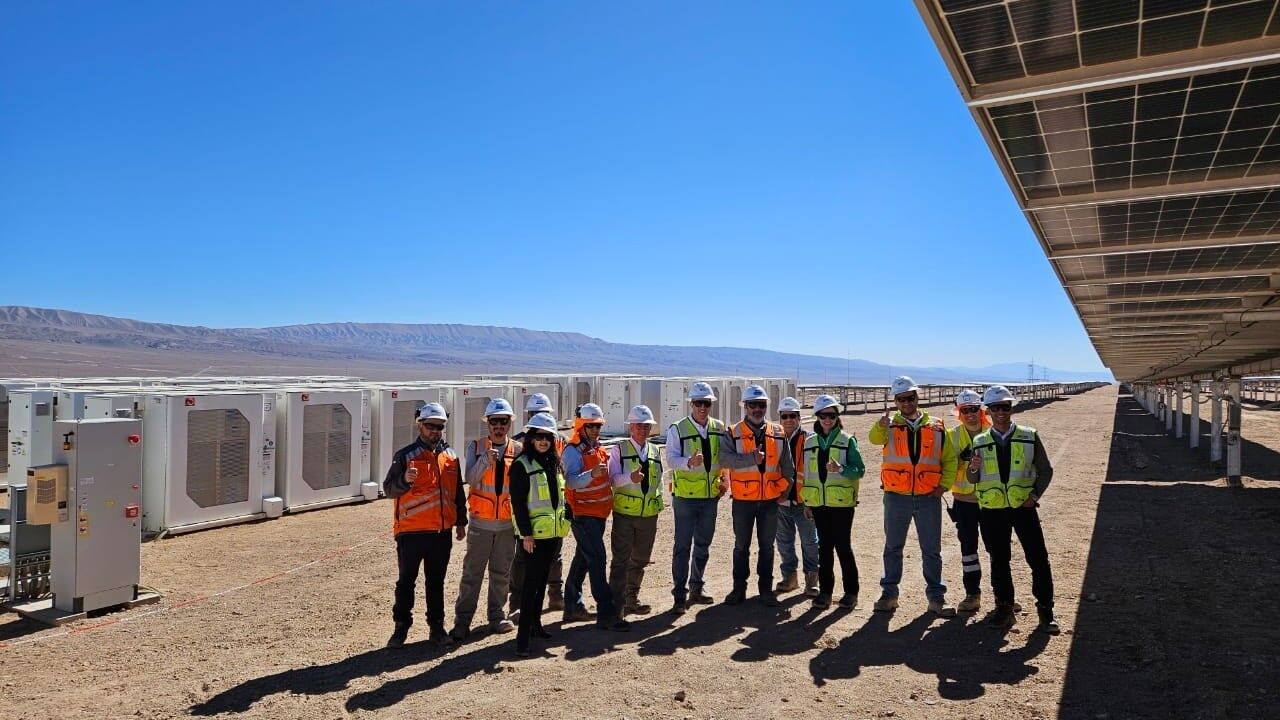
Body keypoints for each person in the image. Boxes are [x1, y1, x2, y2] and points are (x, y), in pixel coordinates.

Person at [967, 385, 1059, 634]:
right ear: (988, 410)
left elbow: (1045, 470)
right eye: (995, 407)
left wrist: (1034, 495)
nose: (1000, 412)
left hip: (1023, 508)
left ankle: (1046, 611)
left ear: (1011, 408)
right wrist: (973, 468)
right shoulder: (980, 441)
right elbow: (973, 478)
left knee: (1038, 559)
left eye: (1005, 407)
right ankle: (1004, 608)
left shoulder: (1029, 436)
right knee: (999, 560)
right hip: (993, 510)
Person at [868, 376, 958, 617]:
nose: (906, 402)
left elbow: (949, 459)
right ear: (895, 402)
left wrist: (944, 486)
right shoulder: (888, 425)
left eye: (910, 398)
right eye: (901, 399)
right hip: (896, 496)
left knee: (931, 549)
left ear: (917, 397)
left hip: (929, 496)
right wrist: (881, 425)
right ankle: (889, 595)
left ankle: (936, 597)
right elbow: (874, 439)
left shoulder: (937, 426)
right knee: (893, 547)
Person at [383, 403, 467, 648]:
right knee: (406, 581)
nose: (435, 431)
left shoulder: (450, 456)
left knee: (436, 582)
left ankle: (437, 628)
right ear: (419, 425)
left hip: (441, 532)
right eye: (430, 426)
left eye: (439, 427)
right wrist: (404, 479)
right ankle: (401, 627)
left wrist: (461, 521)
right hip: (411, 532)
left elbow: (457, 492)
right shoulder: (405, 456)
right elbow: (389, 489)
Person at [665, 381, 752, 613]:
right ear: (691, 404)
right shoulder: (677, 429)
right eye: (698, 403)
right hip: (685, 498)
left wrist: (725, 481)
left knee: (703, 545)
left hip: (709, 497)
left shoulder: (719, 427)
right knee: (682, 546)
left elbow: (723, 458)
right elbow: (670, 459)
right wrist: (688, 462)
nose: (702, 407)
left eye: (706, 403)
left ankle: (697, 587)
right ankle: (679, 595)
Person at [450, 397, 520, 641]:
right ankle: (462, 622)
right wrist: (484, 461)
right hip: (480, 524)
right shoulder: (476, 447)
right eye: (494, 422)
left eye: (503, 421)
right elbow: (470, 478)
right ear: (487, 423)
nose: (498, 426)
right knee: (472, 574)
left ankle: (497, 617)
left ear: (509, 424)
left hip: (506, 524)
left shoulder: (518, 450)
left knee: (501, 572)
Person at [562, 403, 630, 631]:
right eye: (590, 426)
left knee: (584, 558)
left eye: (598, 426)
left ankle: (572, 605)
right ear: (581, 426)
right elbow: (571, 481)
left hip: (598, 514)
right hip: (583, 515)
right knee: (597, 559)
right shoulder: (572, 451)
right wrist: (592, 473)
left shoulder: (597, 448)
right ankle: (607, 613)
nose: (594, 430)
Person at [723, 384, 792, 607]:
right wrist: (750, 459)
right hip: (743, 501)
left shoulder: (778, 432)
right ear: (745, 406)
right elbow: (724, 459)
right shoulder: (733, 432)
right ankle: (738, 589)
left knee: (767, 547)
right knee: (741, 546)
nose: (757, 409)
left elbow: (788, 467)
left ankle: (766, 590)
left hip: (770, 501)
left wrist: (783, 491)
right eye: (752, 405)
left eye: (761, 405)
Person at [509, 412, 572, 657]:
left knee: (541, 581)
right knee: (530, 585)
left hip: (552, 534)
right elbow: (518, 504)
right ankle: (522, 639)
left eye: (548, 437)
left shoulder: (554, 462)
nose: (543, 441)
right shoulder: (521, 465)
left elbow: (560, 496)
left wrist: (567, 516)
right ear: (530, 439)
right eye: (539, 436)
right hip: (532, 537)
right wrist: (526, 535)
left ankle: (536, 625)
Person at [801, 394, 866, 609]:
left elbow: (859, 470)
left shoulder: (847, 441)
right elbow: (807, 475)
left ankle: (851, 592)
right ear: (817, 417)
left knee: (843, 547)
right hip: (819, 504)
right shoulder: (810, 442)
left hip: (841, 504)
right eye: (823, 415)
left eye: (831, 415)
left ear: (837, 417)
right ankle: (825, 592)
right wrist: (807, 503)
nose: (827, 419)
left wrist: (841, 469)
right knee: (825, 548)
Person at [509, 392, 565, 614]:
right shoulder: (517, 442)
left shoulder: (559, 441)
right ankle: (517, 603)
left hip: (552, 517)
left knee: (555, 558)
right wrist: (525, 529)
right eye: (535, 413)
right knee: (522, 559)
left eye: (544, 413)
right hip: (527, 516)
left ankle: (555, 596)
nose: (539, 416)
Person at [608, 405, 664, 617]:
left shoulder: (655, 451)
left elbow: (659, 480)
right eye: (639, 425)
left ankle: (631, 600)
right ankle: (616, 606)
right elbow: (612, 479)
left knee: (640, 559)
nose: (643, 429)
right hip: (625, 514)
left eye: (646, 426)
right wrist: (629, 478)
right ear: (630, 427)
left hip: (648, 515)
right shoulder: (619, 450)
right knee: (621, 560)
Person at [948, 389, 990, 614]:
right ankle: (972, 594)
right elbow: (945, 465)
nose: (970, 414)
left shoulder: (993, 432)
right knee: (968, 550)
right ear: (959, 413)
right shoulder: (952, 436)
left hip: (991, 501)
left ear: (981, 410)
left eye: (974, 409)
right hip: (964, 502)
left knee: (997, 549)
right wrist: (963, 461)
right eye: (965, 410)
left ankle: (1003, 596)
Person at [774, 396, 820, 598]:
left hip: (804, 501)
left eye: (793, 416)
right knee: (784, 542)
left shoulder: (810, 439)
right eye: (785, 416)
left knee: (810, 542)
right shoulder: (773, 439)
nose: (789, 420)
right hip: (781, 500)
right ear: (780, 418)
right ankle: (789, 578)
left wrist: (813, 501)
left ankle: (812, 580)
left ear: (799, 417)